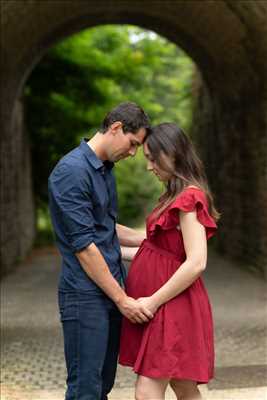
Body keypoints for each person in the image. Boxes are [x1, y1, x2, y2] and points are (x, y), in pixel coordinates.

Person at [48, 102, 154, 400]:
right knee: (86, 390)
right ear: (116, 127)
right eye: (133, 144)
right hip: (84, 297)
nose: (133, 153)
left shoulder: (104, 169)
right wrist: (124, 301)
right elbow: (85, 248)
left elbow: (107, 229)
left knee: (102, 386)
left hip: (108, 292)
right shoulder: (71, 171)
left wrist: (153, 242)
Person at [119, 123, 219, 400]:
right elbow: (154, 251)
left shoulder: (189, 197)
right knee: (184, 387)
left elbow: (197, 261)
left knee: (147, 391)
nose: (149, 167)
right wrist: (106, 245)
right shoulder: (171, 196)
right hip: (169, 304)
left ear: (172, 153)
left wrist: (151, 301)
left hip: (172, 305)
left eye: (152, 158)